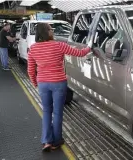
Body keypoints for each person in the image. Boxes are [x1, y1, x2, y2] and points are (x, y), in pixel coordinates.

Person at [27, 23, 91, 151]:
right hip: (58, 83)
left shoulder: (33, 48)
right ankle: (56, 141)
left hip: (43, 84)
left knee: (46, 111)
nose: (53, 31)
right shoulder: (58, 45)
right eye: (51, 29)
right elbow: (79, 53)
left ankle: (46, 141)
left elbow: (30, 69)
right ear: (46, 32)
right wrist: (89, 47)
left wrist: (35, 83)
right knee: (57, 113)